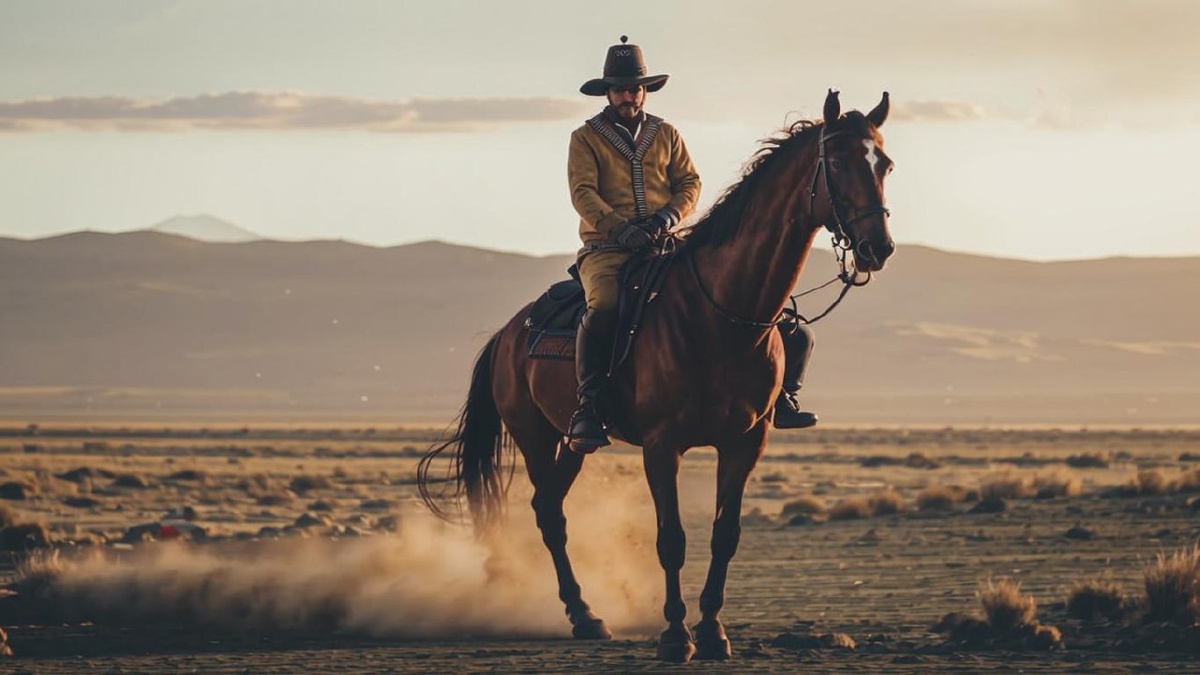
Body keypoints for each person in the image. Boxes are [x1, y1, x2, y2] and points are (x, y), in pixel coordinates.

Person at [566, 36, 817, 454]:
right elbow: (583, 193)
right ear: (608, 93)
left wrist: (667, 218)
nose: (629, 96)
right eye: (621, 89)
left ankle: (780, 395)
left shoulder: (666, 133)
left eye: (635, 88)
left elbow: (689, 183)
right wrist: (619, 229)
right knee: (605, 305)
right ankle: (588, 407)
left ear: (644, 91)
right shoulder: (586, 137)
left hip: (666, 244)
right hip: (608, 249)